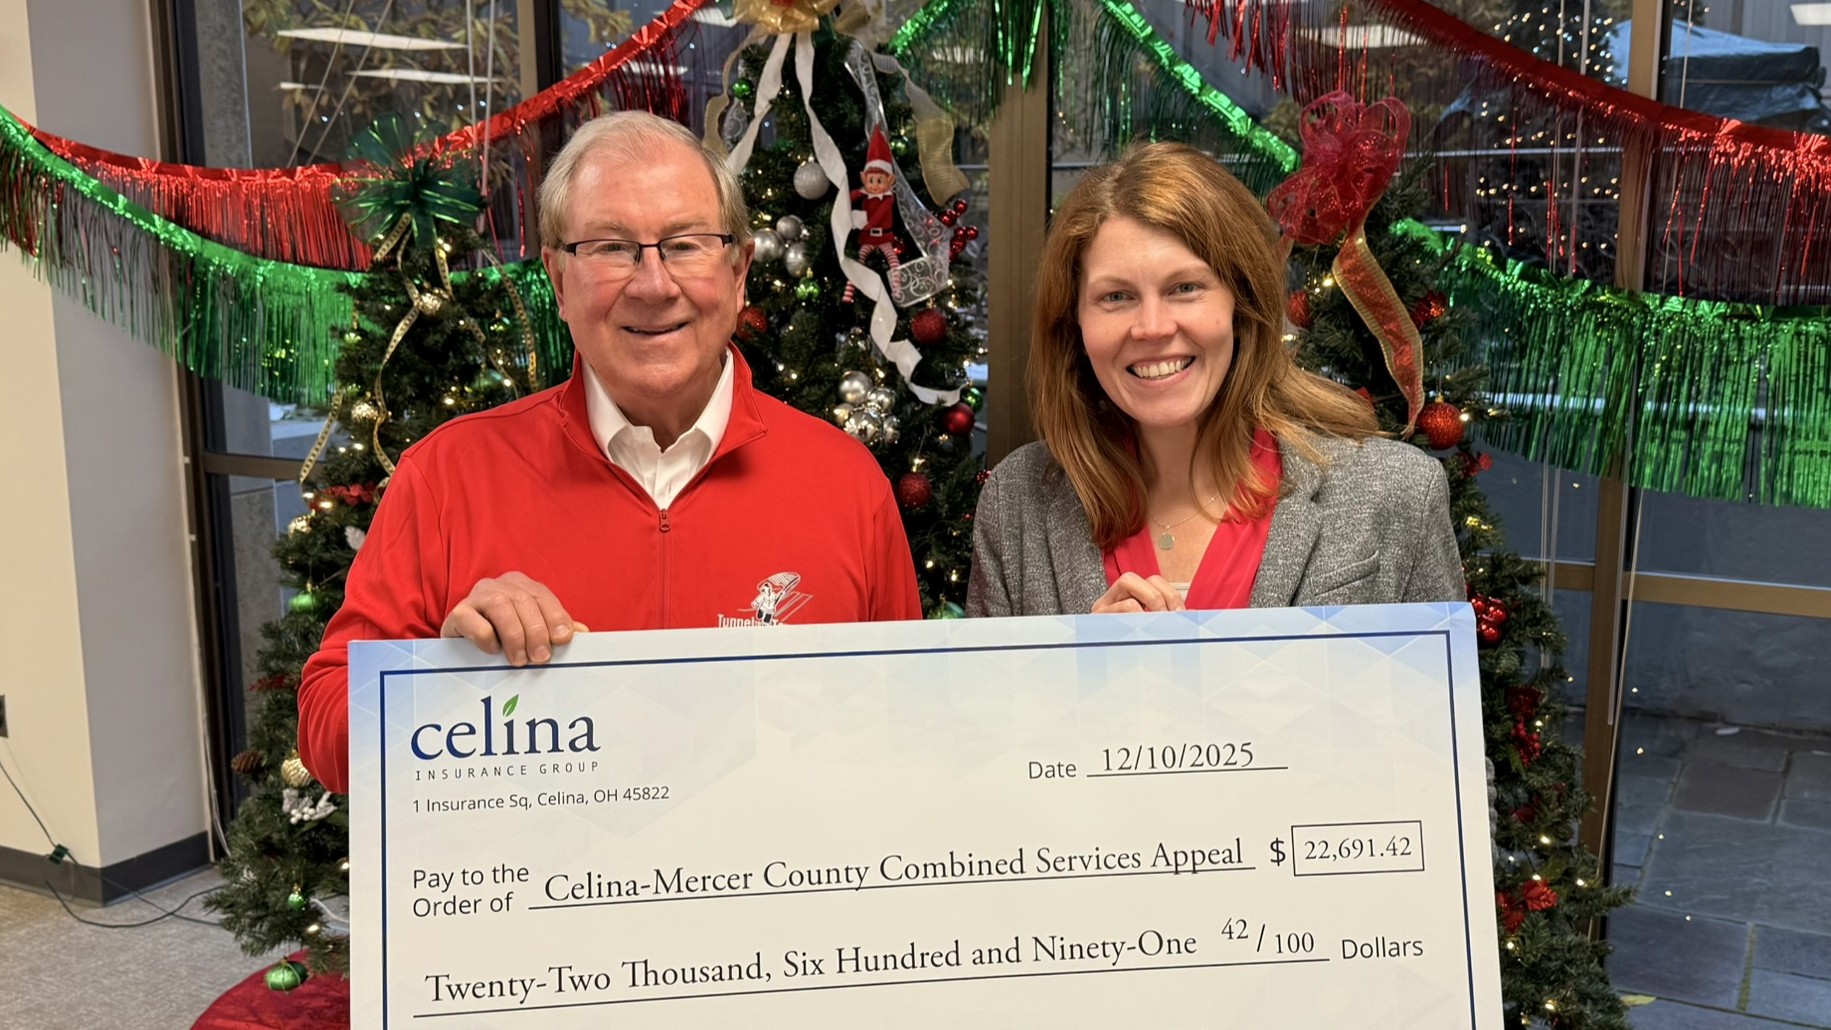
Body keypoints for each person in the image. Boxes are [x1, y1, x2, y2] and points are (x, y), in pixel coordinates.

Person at [297, 112, 922, 794]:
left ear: (739, 271)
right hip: (544, 897)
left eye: (685, 245)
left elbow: (904, 730)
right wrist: (445, 670)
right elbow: (329, 740)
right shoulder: (448, 477)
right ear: (558, 281)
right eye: (610, 248)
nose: (653, 285)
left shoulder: (842, 482)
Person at [966, 142, 1462, 618]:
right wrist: (1084, 670)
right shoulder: (1017, 503)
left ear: (1241, 305)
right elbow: (992, 706)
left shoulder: (1395, 493)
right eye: (1115, 297)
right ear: (1074, 323)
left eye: (1185, 288)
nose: (1153, 327)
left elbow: (1432, 702)